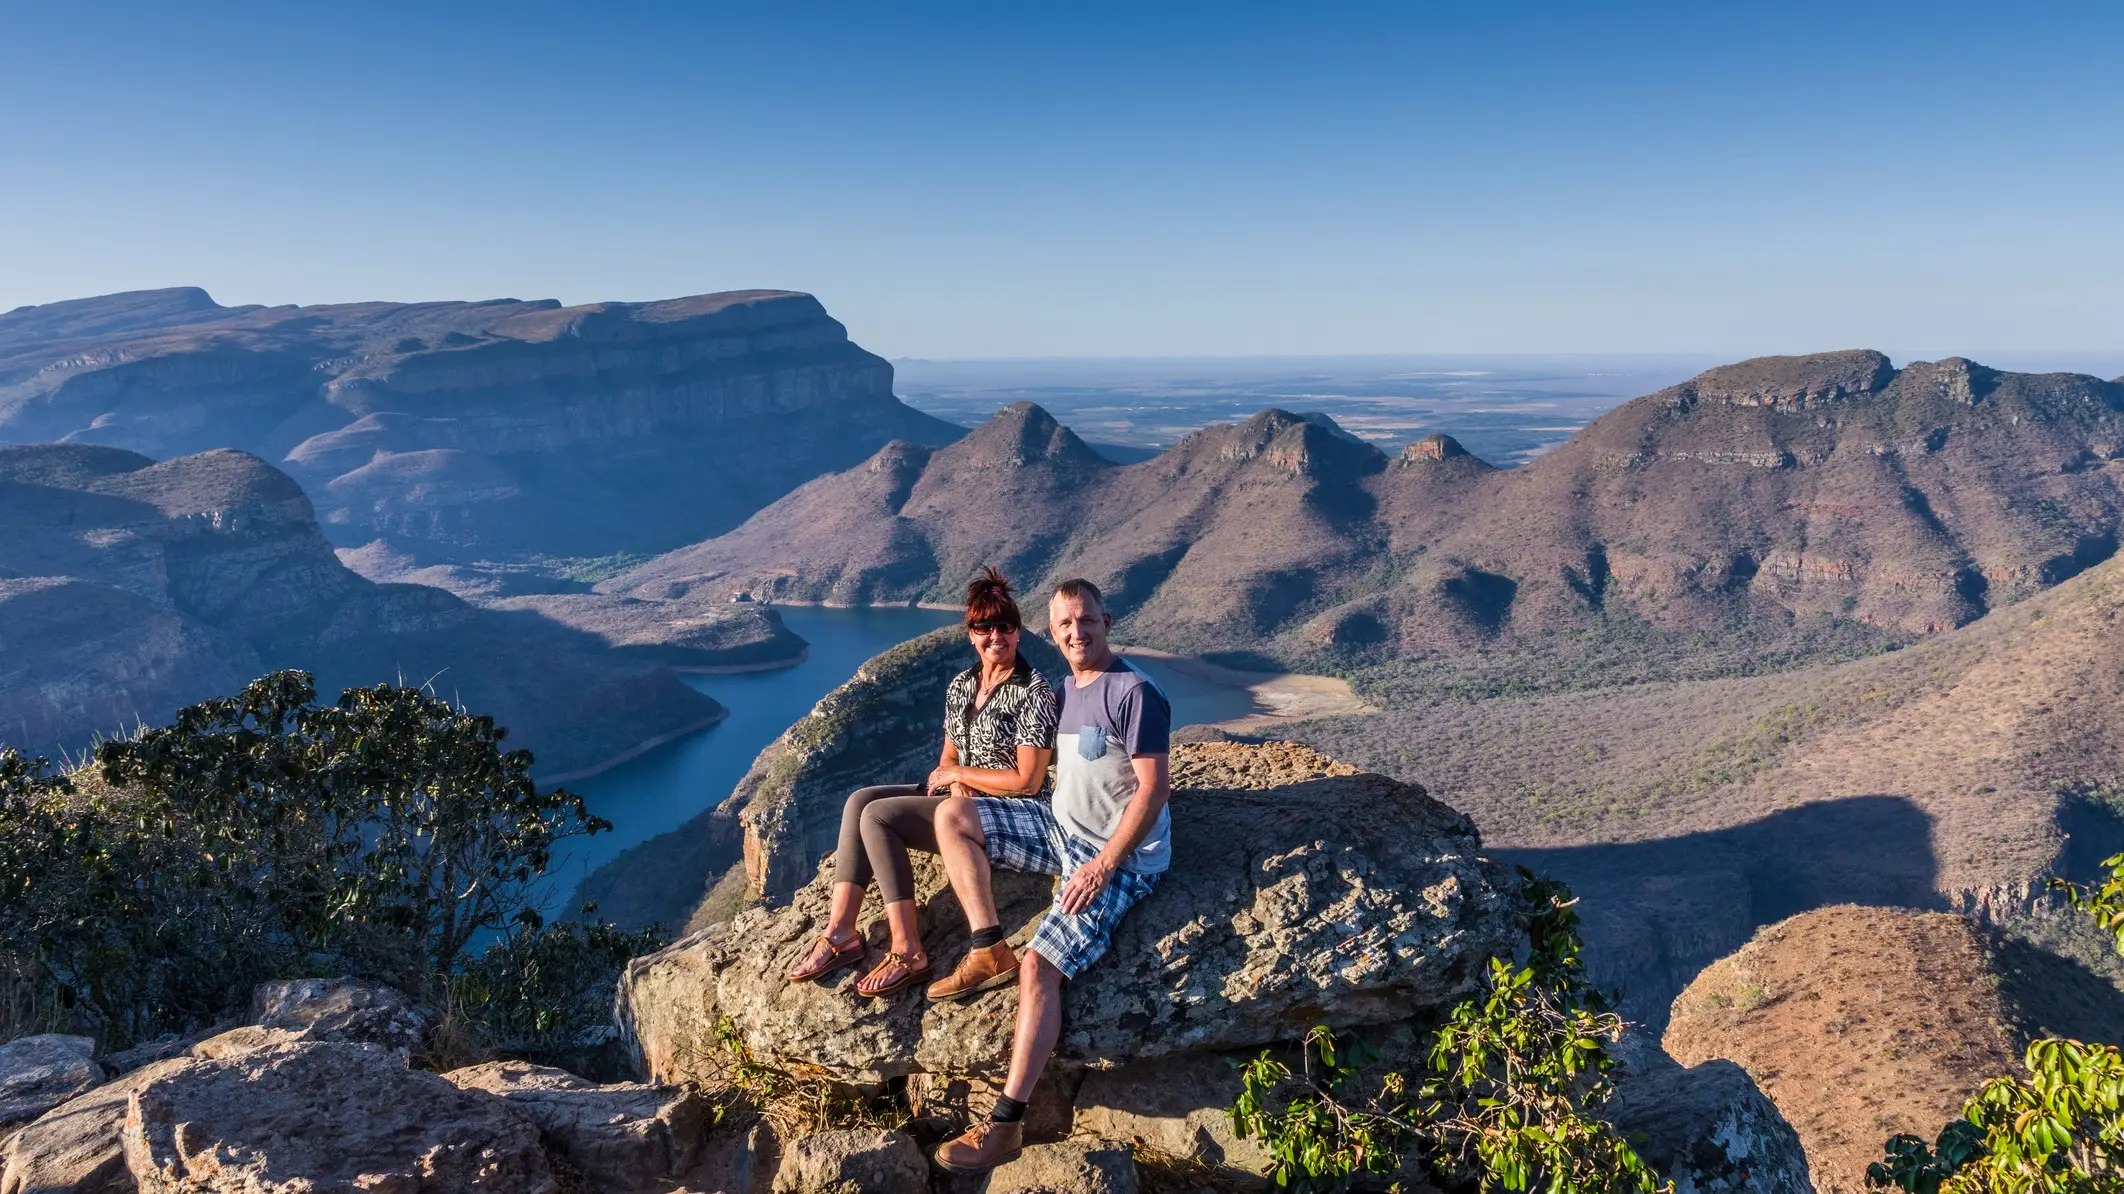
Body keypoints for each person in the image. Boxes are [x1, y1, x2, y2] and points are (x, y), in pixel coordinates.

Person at [927, 578, 1172, 1174]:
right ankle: (988, 947)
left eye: (1086, 621)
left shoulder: (1136, 693)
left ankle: (1005, 1125)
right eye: (1064, 624)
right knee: (953, 816)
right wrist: (962, 780)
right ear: (1052, 632)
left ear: (1107, 622)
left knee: (1039, 966)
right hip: (1057, 829)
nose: (1075, 632)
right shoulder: (1065, 689)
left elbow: (1153, 787)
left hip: (1116, 857)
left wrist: (1104, 864)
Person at [784, 567, 1058, 998]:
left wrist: (961, 777)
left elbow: (1027, 780)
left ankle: (908, 949)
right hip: (965, 800)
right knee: (860, 800)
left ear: (1019, 632)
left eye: (1005, 626)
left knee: (879, 817)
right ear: (970, 634)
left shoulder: (1034, 692)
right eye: (984, 627)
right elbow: (949, 756)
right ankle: (841, 932)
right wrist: (956, 780)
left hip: (1017, 813)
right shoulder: (963, 686)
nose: (996, 636)